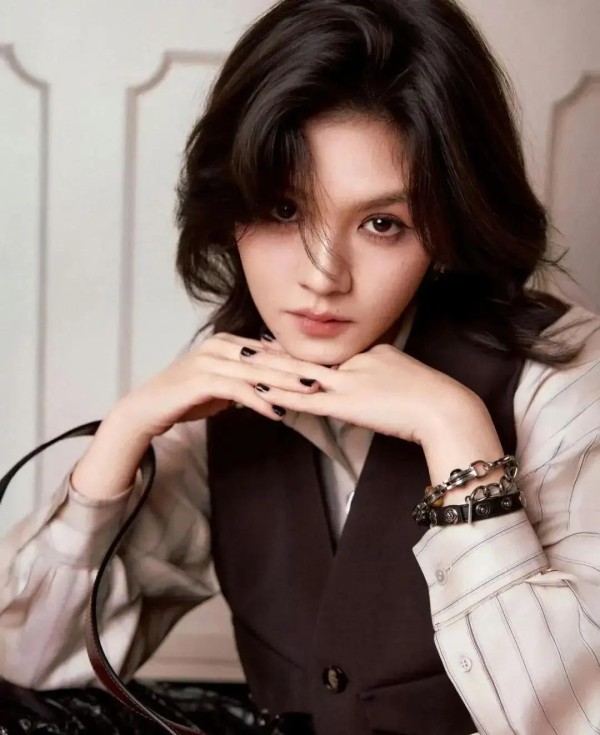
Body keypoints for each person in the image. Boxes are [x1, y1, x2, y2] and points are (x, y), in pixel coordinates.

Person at [1, 0, 600, 733]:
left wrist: (456, 434)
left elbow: (573, 716)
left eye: (382, 223)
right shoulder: (231, 383)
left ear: (446, 227)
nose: (321, 277)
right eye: (285, 211)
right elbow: (30, 658)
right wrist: (123, 432)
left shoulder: (562, 379)